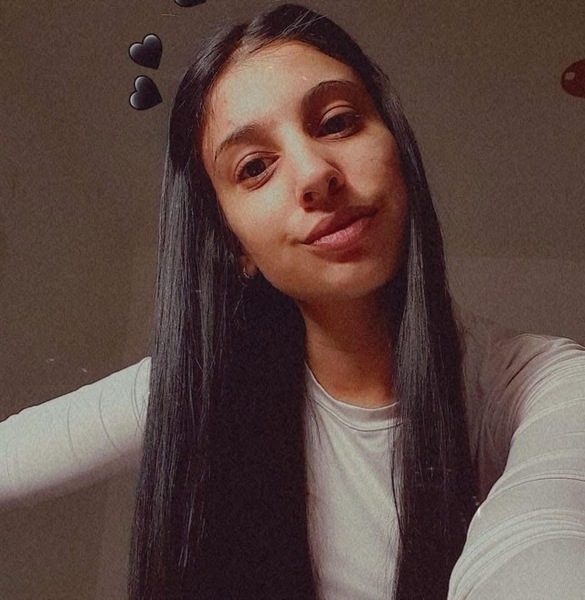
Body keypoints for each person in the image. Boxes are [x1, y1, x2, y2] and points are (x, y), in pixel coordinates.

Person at [1, 4, 584, 599]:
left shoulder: (542, 382)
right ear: (236, 246)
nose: (314, 174)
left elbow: (541, 532)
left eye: (337, 122)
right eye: (255, 167)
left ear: (398, 150)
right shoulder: (198, 385)